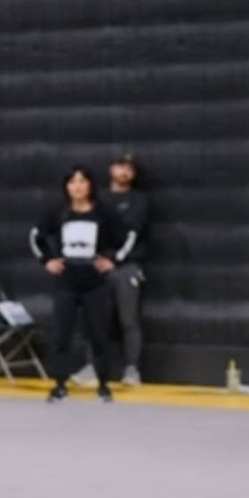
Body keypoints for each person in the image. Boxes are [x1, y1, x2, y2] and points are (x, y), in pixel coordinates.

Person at [29, 165, 128, 403]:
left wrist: (113, 259)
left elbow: (127, 237)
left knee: (98, 333)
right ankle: (60, 383)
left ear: (91, 185)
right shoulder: (59, 212)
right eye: (73, 182)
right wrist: (47, 261)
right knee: (62, 333)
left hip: (94, 280)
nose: (78, 186)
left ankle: (104, 383)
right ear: (66, 187)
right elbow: (35, 236)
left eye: (83, 181)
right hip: (67, 280)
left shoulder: (103, 212)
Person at [105, 153, 149, 385]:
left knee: (128, 319)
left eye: (129, 168)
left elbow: (131, 232)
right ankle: (93, 367)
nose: (124, 172)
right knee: (96, 319)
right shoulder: (99, 199)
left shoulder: (139, 200)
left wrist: (115, 258)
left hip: (127, 267)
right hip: (100, 266)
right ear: (111, 168)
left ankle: (132, 369)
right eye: (120, 166)